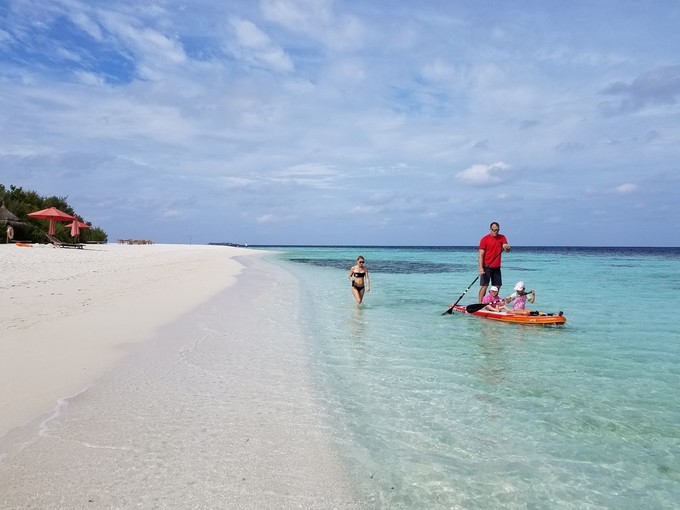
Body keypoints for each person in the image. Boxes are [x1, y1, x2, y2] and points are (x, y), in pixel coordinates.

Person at [478, 221, 510, 302]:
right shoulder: (484, 239)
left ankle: (492, 301)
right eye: (494, 230)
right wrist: (481, 268)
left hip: (496, 266)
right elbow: (481, 255)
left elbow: (506, 248)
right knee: (484, 285)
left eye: (497, 230)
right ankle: (480, 303)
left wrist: (507, 247)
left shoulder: (502, 237)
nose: (495, 232)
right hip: (486, 266)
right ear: (490, 229)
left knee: (497, 286)